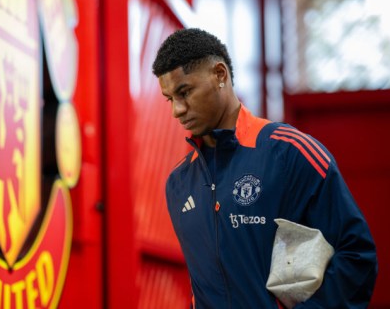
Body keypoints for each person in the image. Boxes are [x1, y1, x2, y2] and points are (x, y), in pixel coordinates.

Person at [151, 27, 378, 308]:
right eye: (170, 98)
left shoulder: (289, 152)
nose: (177, 110)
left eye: (185, 92)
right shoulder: (179, 183)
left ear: (219, 75)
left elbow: (357, 257)